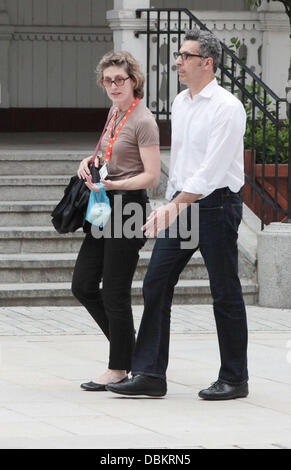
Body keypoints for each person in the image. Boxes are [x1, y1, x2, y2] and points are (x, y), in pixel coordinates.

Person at [106, 29, 249, 400]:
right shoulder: (182, 103)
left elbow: (212, 171)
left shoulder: (228, 107)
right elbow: (183, 163)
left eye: (185, 56)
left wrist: (173, 206)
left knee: (225, 291)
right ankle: (151, 374)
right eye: (178, 55)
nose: (178, 62)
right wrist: (168, 201)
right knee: (156, 282)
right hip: (182, 204)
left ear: (207, 62)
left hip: (216, 205)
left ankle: (235, 378)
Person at [72, 51, 160, 391]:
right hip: (103, 204)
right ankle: (132, 353)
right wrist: (88, 161)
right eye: (107, 80)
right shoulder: (114, 112)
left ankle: (119, 365)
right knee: (82, 284)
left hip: (128, 207)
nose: (113, 86)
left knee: (115, 292)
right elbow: (108, 154)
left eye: (119, 79)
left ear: (134, 80)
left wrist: (116, 185)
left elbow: (151, 176)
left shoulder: (144, 121)